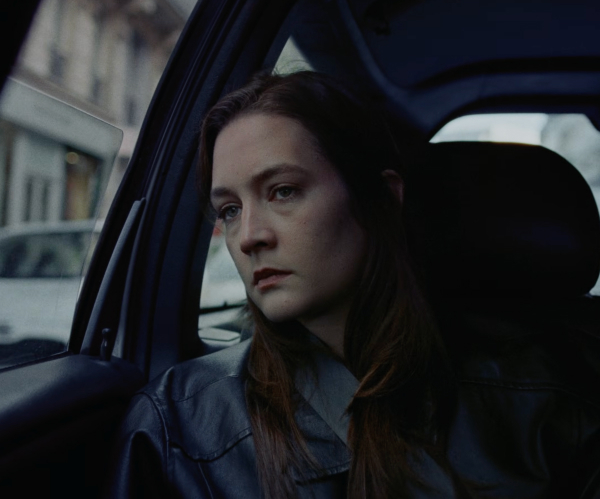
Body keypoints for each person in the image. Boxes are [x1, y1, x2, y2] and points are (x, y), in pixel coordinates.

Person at [106, 71, 600, 499]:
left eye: (283, 191)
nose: (249, 236)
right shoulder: (175, 428)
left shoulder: (558, 400)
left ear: (380, 198)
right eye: (230, 210)